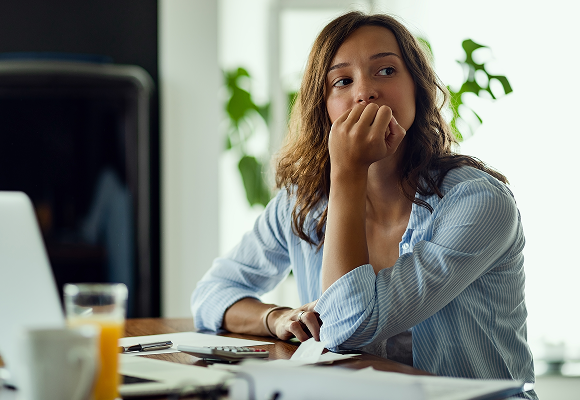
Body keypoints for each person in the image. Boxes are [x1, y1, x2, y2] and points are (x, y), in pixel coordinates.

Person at [192, 11, 535, 398]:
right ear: (324, 107)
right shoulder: (303, 200)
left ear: (417, 89)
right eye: (343, 81)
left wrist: (348, 173)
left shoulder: (478, 203)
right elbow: (212, 294)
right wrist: (275, 318)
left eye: (385, 71)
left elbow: (347, 326)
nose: (365, 92)